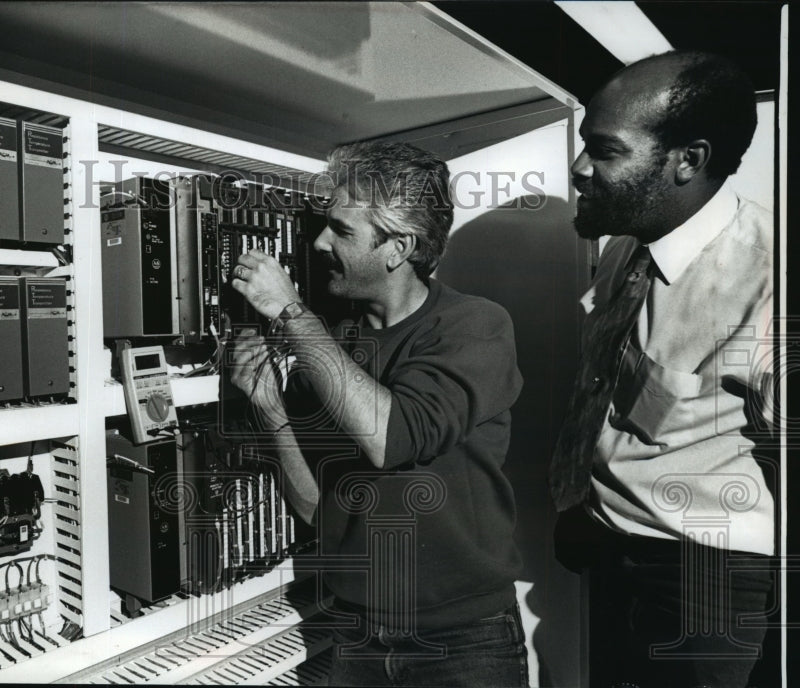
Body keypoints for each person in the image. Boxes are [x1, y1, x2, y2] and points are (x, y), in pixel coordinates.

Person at [227, 140, 528, 687]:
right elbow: (318, 509)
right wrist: (272, 412)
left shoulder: (474, 326)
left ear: (399, 247)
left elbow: (392, 438)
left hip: (463, 642)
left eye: (341, 231)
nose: (320, 242)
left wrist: (291, 310)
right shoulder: (337, 347)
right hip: (357, 637)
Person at [550, 51, 776, 688]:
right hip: (607, 546)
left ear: (689, 160)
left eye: (605, 150)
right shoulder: (625, 246)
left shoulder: (772, 279)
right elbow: (610, 398)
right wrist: (577, 507)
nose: (578, 169)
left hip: (703, 583)